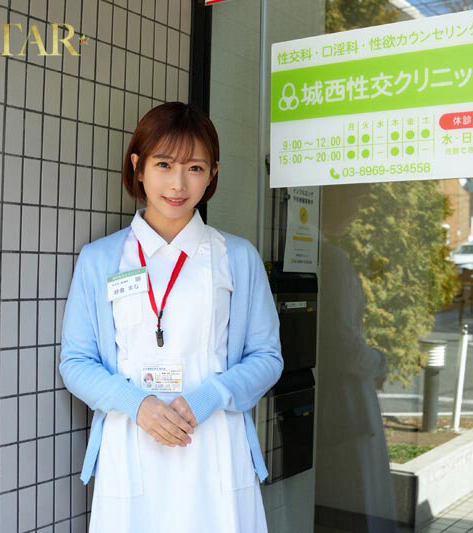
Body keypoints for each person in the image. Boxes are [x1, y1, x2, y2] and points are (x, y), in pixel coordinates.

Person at [59, 101, 283, 533]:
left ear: (212, 174)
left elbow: (267, 356)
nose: (178, 184)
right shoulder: (100, 259)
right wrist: (136, 404)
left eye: (195, 168)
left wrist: (209, 397)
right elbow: (76, 361)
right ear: (138, 167)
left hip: (215, 443)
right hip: (131, 444)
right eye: (164, 164)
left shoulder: (236, 257)